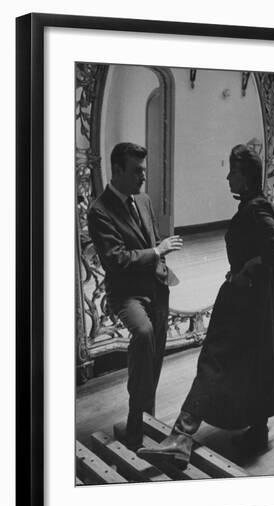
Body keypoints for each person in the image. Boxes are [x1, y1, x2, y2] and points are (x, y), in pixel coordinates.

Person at [138, 144, 274, 468]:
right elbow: (262, 247)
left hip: (245, 302)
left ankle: (180, 438)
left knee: (214, 361)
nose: (227, 177)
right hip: (255, 300)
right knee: (255, 360)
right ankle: (257, 431)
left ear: (246, 176)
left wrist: (247, 269)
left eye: (232, 172)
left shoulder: (255, 209)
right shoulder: (255, 205)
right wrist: (243, 266)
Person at [87, 142, 183, 450]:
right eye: (137, 171)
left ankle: (144, 423)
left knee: (153, 358)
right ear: (117, 171)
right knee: (143, 334)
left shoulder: (143, 199)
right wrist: (157, 251)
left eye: (143, 170)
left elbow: (153, 239)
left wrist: (160, 262)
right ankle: (135, 423)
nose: (143, 177)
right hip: (126, 293)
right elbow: (117, 260)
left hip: (155, 287)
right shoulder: (99, 211)